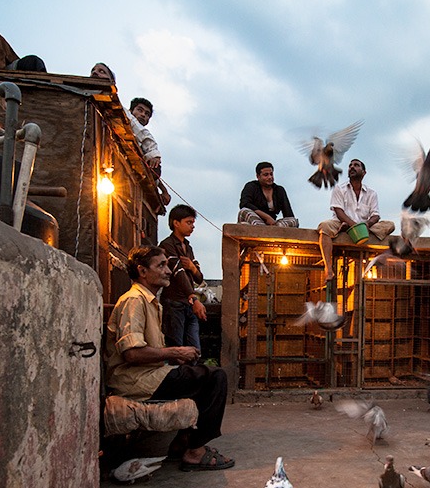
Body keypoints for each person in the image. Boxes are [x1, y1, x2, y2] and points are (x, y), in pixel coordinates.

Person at [106, 245, 234, 471]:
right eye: (161, 265)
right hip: (137, 381)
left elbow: (148, 350)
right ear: (142, 271)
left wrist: (175, 358)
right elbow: (131, 353)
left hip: (150, 375)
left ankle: (182, 443)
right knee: (216, 377)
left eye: (167, 265)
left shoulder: (151, 302)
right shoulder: (134, 300)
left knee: (201, 374)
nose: (168, 271)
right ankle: (195, 450)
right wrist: (175, 352)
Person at [316, 158, 395, 280]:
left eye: (356, 165)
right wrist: (352, 225)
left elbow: (376, 215)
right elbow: (338, 210)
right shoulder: (339, 189)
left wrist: (366, 225)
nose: (352, 167)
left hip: (364, 227)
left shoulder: (371, 193)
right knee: (324, 226)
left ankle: (353, 230)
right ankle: (329, 269)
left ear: (364, 172)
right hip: (341, 222)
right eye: (350, 165)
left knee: (390, 225)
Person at [159, 205, 206, 353]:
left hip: (188, 304)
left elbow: (199, 277)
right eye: (189, 222)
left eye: (193, 223)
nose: (192, 227)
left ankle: (192, 374)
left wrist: (192, 267)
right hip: (174, 303)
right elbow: (178, 272)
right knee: (176, 348)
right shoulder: (167, 245)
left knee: (194, 349)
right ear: (176, 223)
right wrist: (193, 297)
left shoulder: (188, 247)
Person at [126, 96, 171, 207]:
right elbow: (147, 139)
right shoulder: (126, 117)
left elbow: (152, 170)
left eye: (147, 114)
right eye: (140, 110)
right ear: (131, 111)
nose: (143, 115)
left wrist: (164, 190)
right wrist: (154, 154)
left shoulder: (139, 138)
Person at [238, 162, 299, 227]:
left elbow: (288, 214)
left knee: (294, 220)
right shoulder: (251, 187)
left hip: (273, 224)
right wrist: (266, 217)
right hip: (254, 220)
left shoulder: (279, 190)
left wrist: (280, 223)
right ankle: (262, 229)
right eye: (266, 175)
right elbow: (244, 204)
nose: (270, 177)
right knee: (244, 211)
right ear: (258, 176)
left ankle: (274, 228)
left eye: (271, 174)